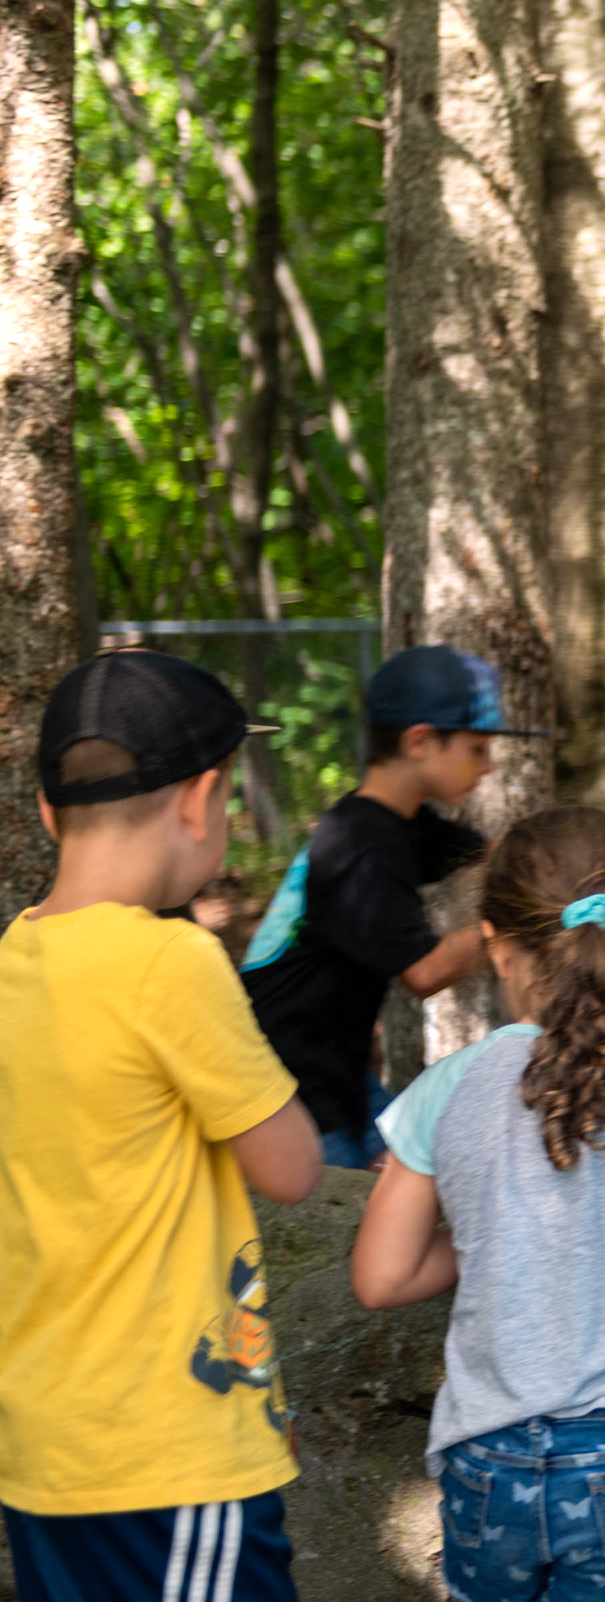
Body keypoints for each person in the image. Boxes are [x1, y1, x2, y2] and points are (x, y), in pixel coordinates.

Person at [0, 650, 322, 1600]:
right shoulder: (170, 962)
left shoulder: (13, 961)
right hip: (168, 1449)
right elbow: (293, 1166)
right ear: (201, 799)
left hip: (45, 1449)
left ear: (54, 812)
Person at [350, 805, 605, 1602]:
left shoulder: (446, 1090)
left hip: (487, 1456)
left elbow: (380, 1277)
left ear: (497, 946)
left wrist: (482, 1236)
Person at [242, 644, 546, 1167]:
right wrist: (534, 916)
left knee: (413, 1169)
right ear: (420, 741)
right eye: (477, 748)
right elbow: (426, 972)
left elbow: (491, 851)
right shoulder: (362, 846)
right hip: (288, 1090)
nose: (489, 766)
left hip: (336, 1071)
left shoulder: (397, 823)